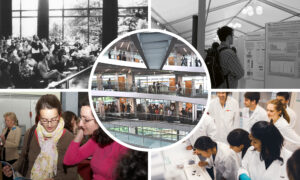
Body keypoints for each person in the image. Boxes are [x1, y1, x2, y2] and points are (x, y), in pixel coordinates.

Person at [2, 94, 77, 179]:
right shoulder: (30, 133)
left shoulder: (69, 138)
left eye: (54, 119)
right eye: (44, 120)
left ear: (59, 115)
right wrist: (12, 169)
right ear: (38, 117)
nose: (49, 124)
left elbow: (72, 173)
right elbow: (22, 159)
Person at [63, 99, 128, 180]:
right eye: (81, 118)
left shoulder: (121, 144)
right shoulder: (97, 139)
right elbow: (69, 160)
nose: (80, 123)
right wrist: (81, 131)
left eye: (86, 120)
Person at [1, 112, 21, 179]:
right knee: (4, 176)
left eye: (7, 120)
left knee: (11, 176)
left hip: (12, 159)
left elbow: (16, 144)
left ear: (13, 121)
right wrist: (1, 143)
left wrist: (4, 142)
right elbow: (2, 143)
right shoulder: (4, 129)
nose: (6, 122)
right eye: (5, 120)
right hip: (4, 158)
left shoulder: (17, 130)